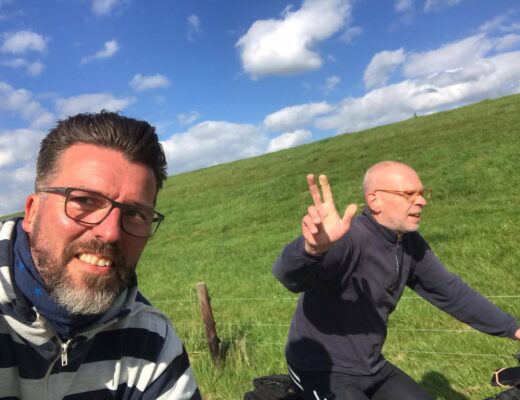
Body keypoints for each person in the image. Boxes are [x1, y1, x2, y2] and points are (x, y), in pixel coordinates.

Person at [272, 161, 520, 400]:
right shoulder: (349, 239)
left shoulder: (409, 244)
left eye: (422, 193)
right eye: (409, 194)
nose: (421, 201)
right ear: (374, 200)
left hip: (371, 365)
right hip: (318, 368)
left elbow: (451, 293)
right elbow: (288, 276)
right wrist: (312, 250)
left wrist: (514, 329)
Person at [0, 112, 201, 399]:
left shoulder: (151, 339)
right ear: (33, 212)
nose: (110, 233)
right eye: (83, 200)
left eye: (134, 214)